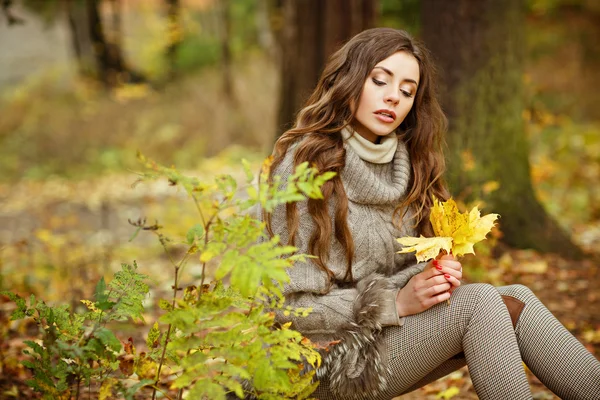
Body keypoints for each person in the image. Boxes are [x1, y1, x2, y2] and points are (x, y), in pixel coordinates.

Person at [262, 28, 600, 400]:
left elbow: (395, 274)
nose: (394, 96)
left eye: (407, 91)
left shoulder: (412, 167)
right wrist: (395, 302)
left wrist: (430, 276)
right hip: (313, 364)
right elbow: (290, 308)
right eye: (380, 80)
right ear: (349, 80)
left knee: (514, 298)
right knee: (480, 303)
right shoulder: (304, 168)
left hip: (379, 340)